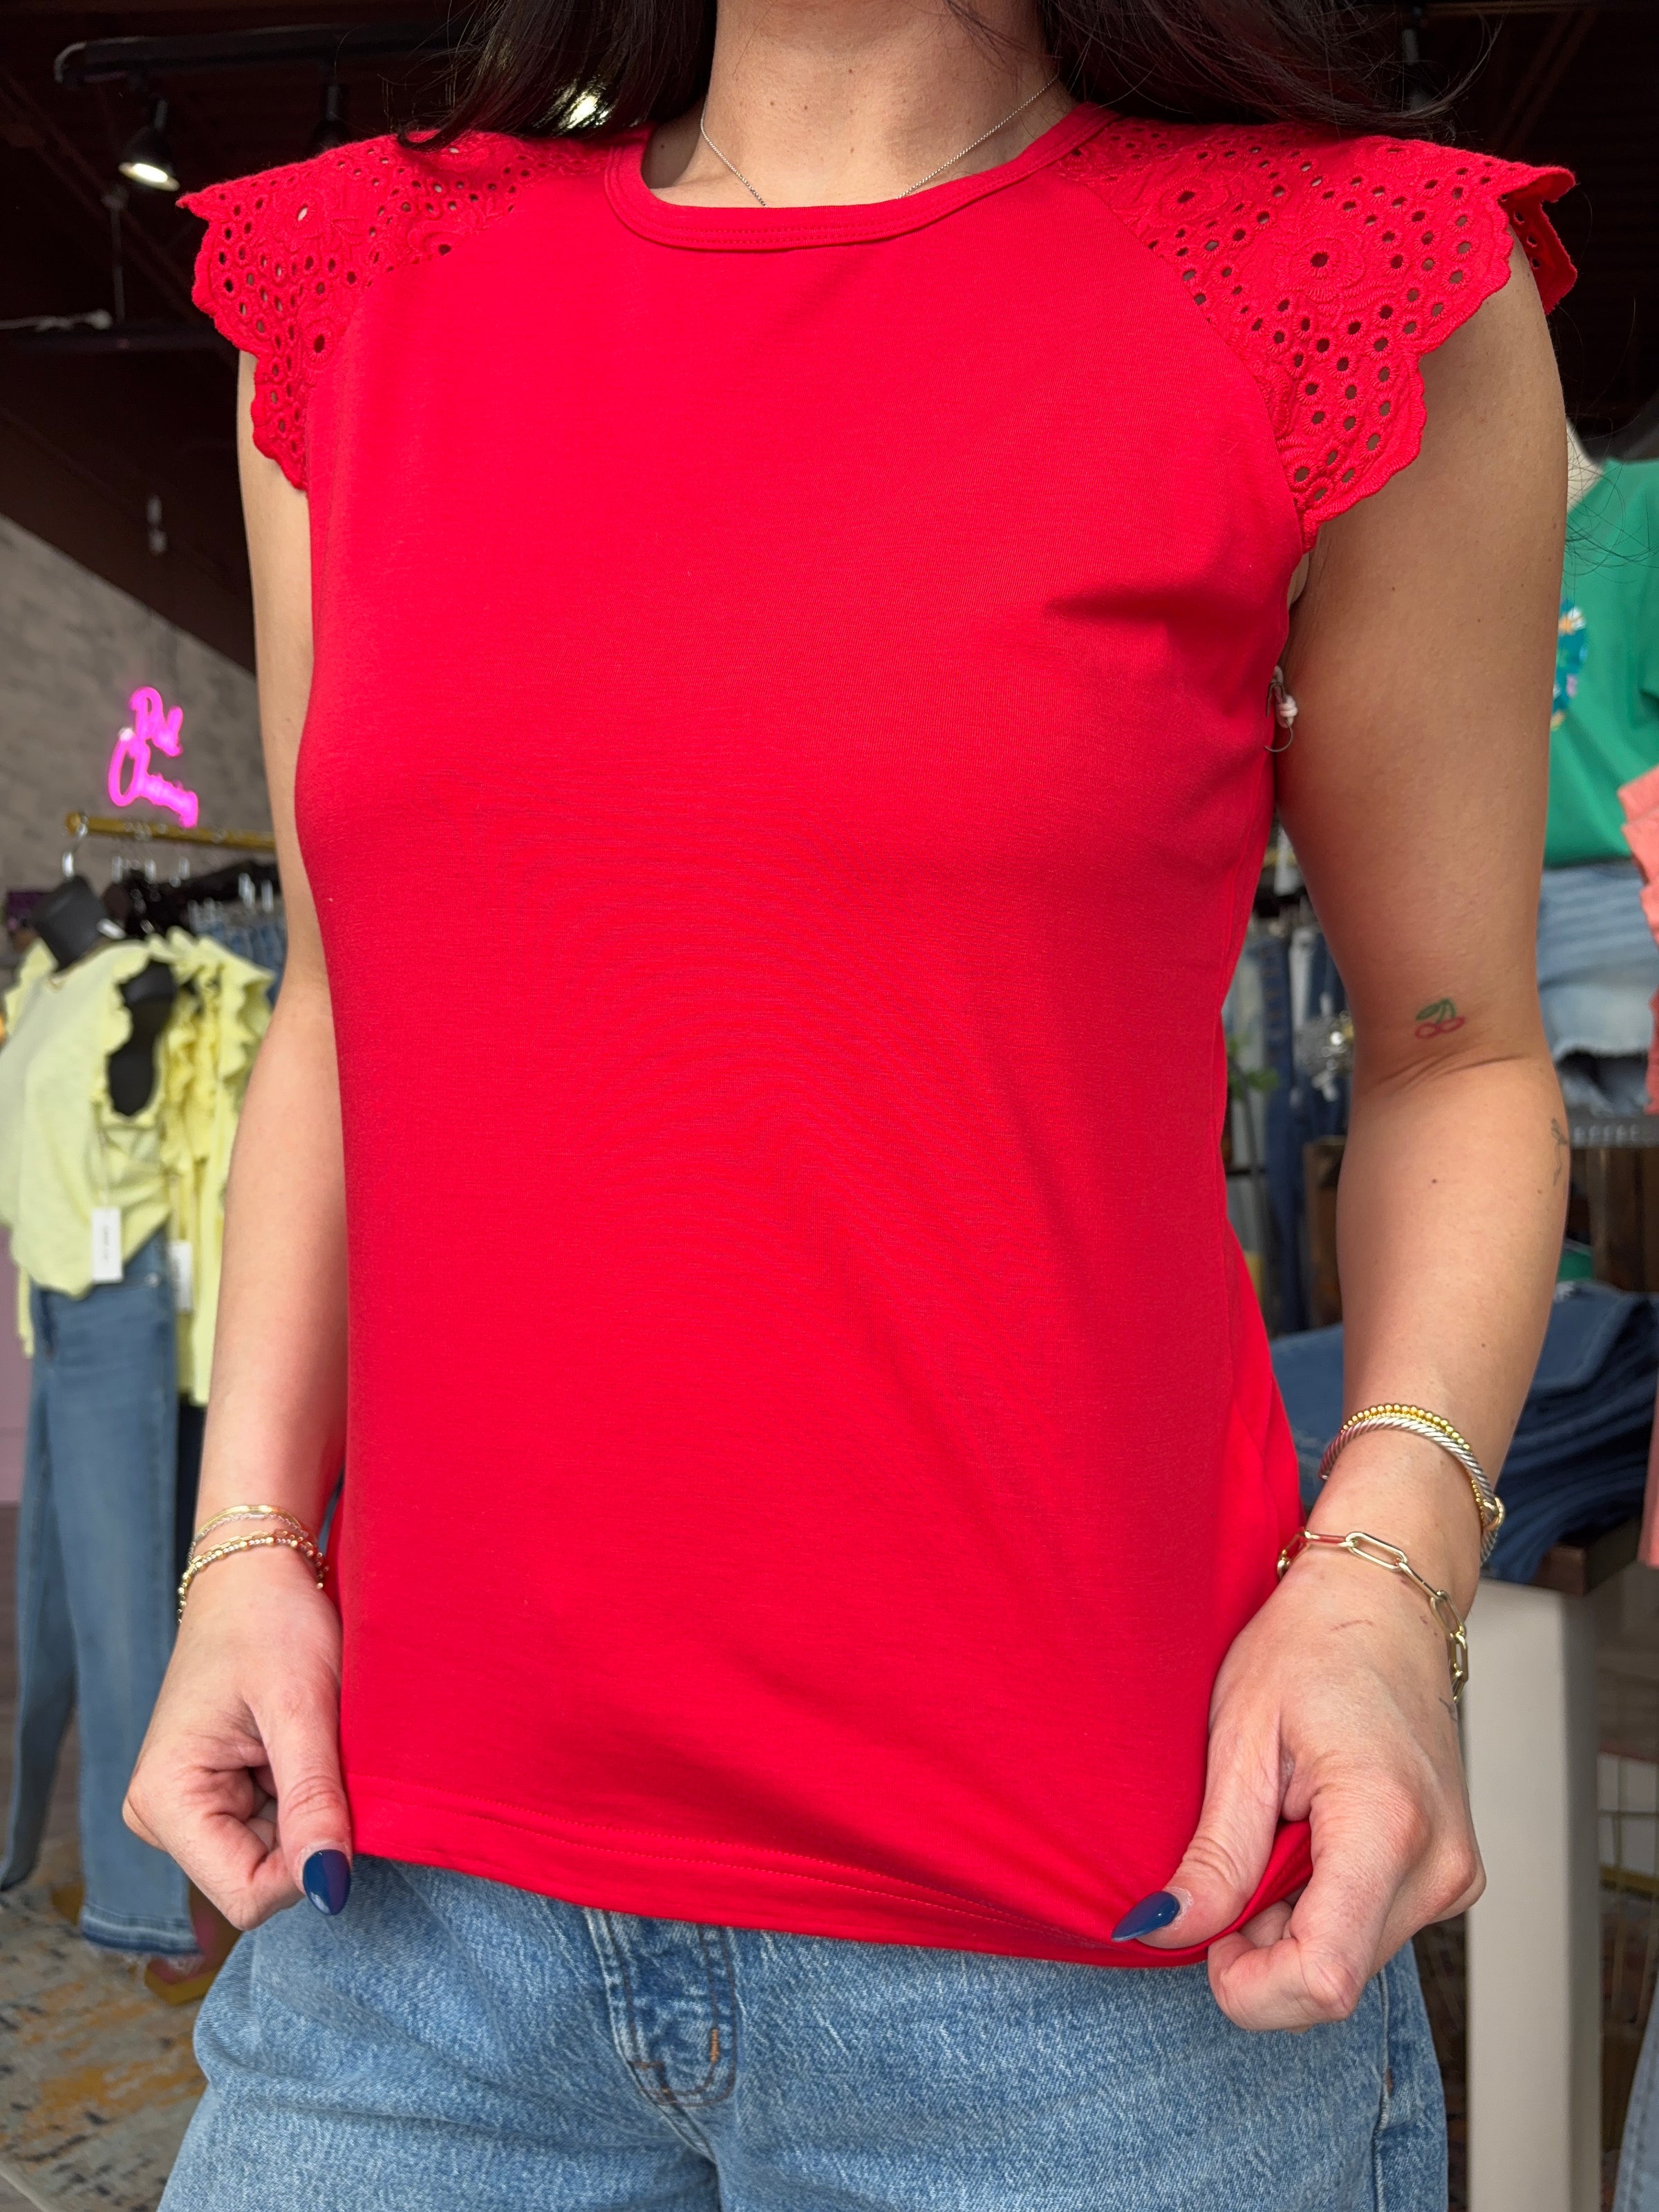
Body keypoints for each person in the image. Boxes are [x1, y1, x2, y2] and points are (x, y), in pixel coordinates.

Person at [129, 0, 1575, 2200]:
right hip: (411, 1926)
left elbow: (1453, 1053)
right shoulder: (360, 289)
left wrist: (1386, 1579)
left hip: (1093, 1965)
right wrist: (242, 1549)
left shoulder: (1347, 277)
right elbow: (343, 1011)